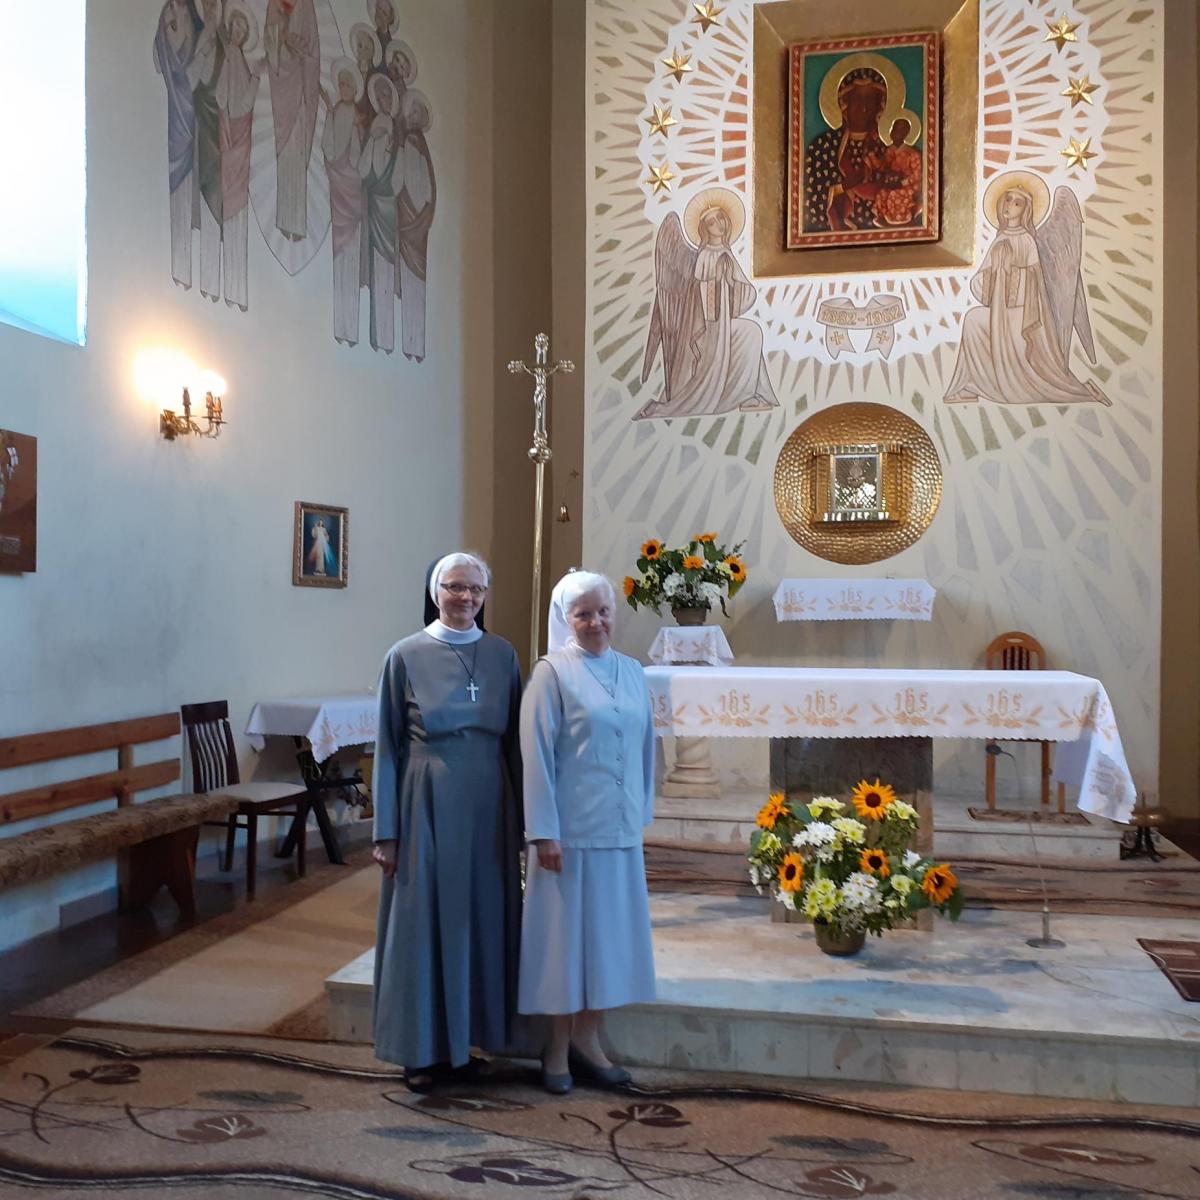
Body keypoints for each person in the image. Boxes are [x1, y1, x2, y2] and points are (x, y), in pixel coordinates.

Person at [371, 553, 524, 1091]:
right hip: (426, 800)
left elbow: (515, 744)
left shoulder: (503, 654)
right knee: (424, 924)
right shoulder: (404, 655)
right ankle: (421, 1052)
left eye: (476, 588)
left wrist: (525, 822)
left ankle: (468, 1044)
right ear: (435, 591)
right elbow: (387, 747)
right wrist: (386, 832)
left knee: (481, 921)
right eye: (455, 587)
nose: (466, 597)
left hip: (490, 803)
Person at [518, 570, 657, 1094]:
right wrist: (543, 832)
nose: (596, 622)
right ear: (566, 619)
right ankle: (555, 1045)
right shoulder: (552, 673)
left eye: (603, 612)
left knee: (609, 941)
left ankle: (588, 1039)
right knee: (564, 944)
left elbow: (646, 747)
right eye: (583, 614)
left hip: (617, 827)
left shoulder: (633, 671)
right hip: (568, 834)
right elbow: (535, 756)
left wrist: (639, 813)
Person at [803, 67, 888, 233]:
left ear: (879, 107)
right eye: (857, 99)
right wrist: (842, 187)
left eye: (870, 100)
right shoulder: (823, 146)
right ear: (844, 105)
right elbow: (810, 196)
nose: (864, 108)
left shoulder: (885, 148)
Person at [321, 60, 365, 344]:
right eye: (342, 84)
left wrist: (358, 131)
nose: (345, 88)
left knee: (353, 253)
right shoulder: (336, 112)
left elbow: (361, 160)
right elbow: (329, 148)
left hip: (353, 190)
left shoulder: (359, 119)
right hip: (339, 188)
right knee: (340, 251)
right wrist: (329, 113)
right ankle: (341, 327)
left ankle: (352, 327)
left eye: (349, 84)